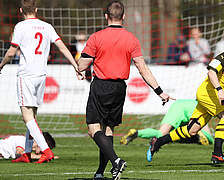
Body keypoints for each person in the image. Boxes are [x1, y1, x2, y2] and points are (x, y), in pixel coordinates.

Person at [77, 1, 173, 179]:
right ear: (124, 17)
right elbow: (143, 68)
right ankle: (100, 173)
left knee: (93, 128)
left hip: (101, 85)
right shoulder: (131, 39)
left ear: (106, 16)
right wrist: (160, 91)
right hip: (119, 88)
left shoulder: (97, 37)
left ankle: (116, 161)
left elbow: (82, 65)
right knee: (108, 130)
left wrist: (79, 67)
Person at [147, 26, 224, 165]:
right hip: (207, 93)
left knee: (191, 130)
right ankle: (217, 154)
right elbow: (211, 71)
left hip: (215, 95)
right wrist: (219, 90)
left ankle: (158, 142)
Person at [0, 0, 84, 163]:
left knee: (27, 117)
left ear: (20, 11)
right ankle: (27, 152)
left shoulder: (20, 27)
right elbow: (62, 47)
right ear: (36, 10)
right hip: (41, 75)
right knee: (33, 116)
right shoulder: (47, 26)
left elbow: (11, 52)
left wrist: (1, 65)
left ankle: (46, 150)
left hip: (27, 75)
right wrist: (75, 66)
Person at [120, 99, 213, 146]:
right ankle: (198, 135)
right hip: (192, 110)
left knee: (161, 133)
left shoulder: (195, 100)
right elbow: (211, 140)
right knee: (208, 139)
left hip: (177, 105)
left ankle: (136, 133)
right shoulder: (204, 108)